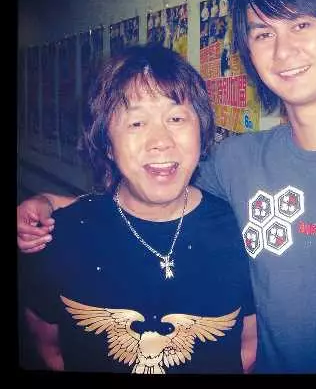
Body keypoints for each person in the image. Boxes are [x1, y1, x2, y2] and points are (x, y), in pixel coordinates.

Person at [18, 0, 316, 374]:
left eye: (301, 24)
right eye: (263, 33)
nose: (283, 50)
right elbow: (152, 193)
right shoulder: (237, 161)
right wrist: (52, 204)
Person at [18, 43, 257, 374]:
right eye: (136, 123)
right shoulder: (61, 237)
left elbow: (248, 345)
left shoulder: (241, 231)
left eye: (176, 118)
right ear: (107, 144)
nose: (160, 141)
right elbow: (49, 345)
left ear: (202, 133)